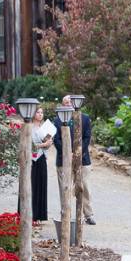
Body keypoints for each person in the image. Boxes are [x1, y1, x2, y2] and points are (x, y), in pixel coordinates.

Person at [52, 95, 96, 225]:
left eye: (70, 101)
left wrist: (76, 153)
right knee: (64, 187)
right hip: (63, 160)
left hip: (83, 159)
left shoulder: (85, 119)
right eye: (65, 102)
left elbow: (87, 138)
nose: (69, 104)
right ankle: (65, 213)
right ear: (63, 105)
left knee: (85, 186)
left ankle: (88, 214)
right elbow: (56, 139)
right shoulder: (57, 121)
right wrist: (67, 153)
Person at [28, 106, 56, 225]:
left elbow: (46, 146)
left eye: (41, 112)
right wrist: (43, 144)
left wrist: (49, 143)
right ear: (33, 114)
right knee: (32, 186)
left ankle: (39, 215)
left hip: (42, 159)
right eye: (38, 112)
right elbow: (28, 145)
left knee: (41, 185)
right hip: (31, 159)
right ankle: (30, 215)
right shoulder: (29, 127)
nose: (40, 114)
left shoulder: (44, 127)